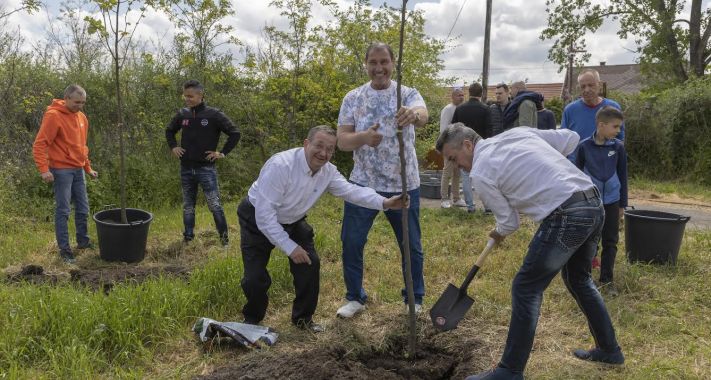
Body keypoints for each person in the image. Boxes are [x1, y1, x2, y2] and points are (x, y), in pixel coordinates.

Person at [437, 124, 624, 380]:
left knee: (526, 287)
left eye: (453, 158)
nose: (456, 166)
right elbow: (570, 137)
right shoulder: (517, 134)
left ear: (468, 145)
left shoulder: (480, 172)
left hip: (566, 214)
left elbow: (509, 223)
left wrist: (499, 231)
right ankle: (609, 349)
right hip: (592, 202)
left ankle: (510, 371)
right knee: (579, 279)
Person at [238, 126, 405, 332]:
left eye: (330, 149)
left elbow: (351, 191)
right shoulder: (280, 166)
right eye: (319, 146)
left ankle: (303, 320)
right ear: (306, 144)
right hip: (257, 219)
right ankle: (252, 320)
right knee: (255, 277)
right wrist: (290, 248)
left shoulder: (328, 172)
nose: (323, 153)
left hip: (294, 219)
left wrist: (385, 202)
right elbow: (264, 217)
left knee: (310, 265)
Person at [335, 42, 429, 318]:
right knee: (352, 241)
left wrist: (413, 115)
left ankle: (414, 298)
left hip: (403, 182)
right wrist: (363, 138)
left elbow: (423, 115)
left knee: (410, 244)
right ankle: (355, 298)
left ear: (393, 63)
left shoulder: (407, 93)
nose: (379, 68)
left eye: (384, 62)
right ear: (365, 64)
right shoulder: (353, 98)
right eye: (373, 62)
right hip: (363, 183)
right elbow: (342, 141)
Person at [165, 80, 240, 246]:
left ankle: (224, 241)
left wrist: (222, 153)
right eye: (185, 96)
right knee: (188, 206)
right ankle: (188, 238)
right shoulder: (182, 114)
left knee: (214, 205)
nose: (187, 99)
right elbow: (169, 131)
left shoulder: (214, 115)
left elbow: (235, 133)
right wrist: (174, 147)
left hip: (206, 169)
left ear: (200, 95)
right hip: (186, 168)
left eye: (190, 96)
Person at [32, 85, 99, 264]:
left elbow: (81, 147)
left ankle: (83, 243)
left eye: (83, 102)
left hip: (78, 170)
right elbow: (40, 144)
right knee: (63, 210)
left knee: (83, 209)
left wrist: (87, 168)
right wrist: (44, 169)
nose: (80, 106)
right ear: (67, 98)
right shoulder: (53, 116)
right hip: (61, 170)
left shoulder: (82, 117)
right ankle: (65, 250)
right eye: (77, 102)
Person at [574, 106, 628, 296]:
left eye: (619, 127)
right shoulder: (583, 147)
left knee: (611, 241)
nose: (618, 131)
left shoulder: (618, 147)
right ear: (601, 125)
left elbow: (623, 176)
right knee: (589, 241)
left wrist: (622, 205)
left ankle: (607, 279)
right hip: (590, 202)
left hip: (612, 201)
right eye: (615, 127)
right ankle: (585, 278)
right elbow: (576, 176)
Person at [451, 82, 490, 212]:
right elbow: (489, 130)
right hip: (481, 147)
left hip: (463, 147)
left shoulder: (460, 109)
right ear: (482, 94)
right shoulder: (485, 109)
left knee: (466, 177)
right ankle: (487, 207)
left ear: (469, 93)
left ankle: (470, 206)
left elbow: (454, 128)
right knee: (483, 177)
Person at [561, 69, 624, 144]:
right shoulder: (570, 110)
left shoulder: (613, 107)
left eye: (591, 85)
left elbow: (620, 139)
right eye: (583, 86)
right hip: (577, 156)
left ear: (599, 85)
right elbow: (563, 141)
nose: (587, 90)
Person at [439, 87, 465, 208]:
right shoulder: (448, 109)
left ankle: (456, 198)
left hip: (459, 146)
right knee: (447, 171)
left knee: (457, 172)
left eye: (462, 95)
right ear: (453, 96)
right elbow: (444, 129)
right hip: (449, 146)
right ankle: (444, 198)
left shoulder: (461, 109)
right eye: (459, 95)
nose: (461, 97)